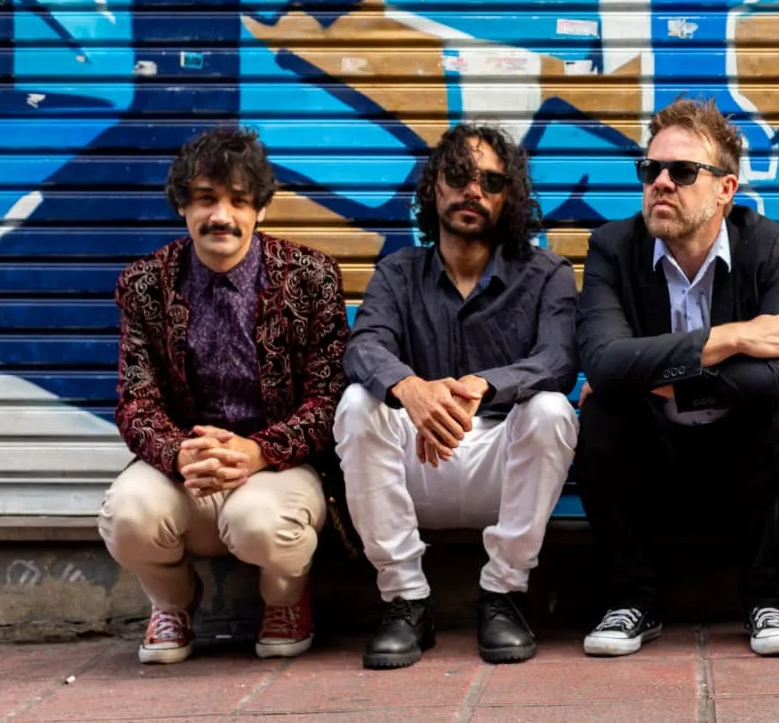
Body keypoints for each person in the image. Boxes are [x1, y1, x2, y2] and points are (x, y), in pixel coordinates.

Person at [98, 125, 349, 664]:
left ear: (260, 208)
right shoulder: (145, 283)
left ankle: (286, 600)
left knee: (262, 524)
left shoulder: (311, 277)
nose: (221, 216)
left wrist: (258, 451)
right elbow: (136, 400)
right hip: (186, 466)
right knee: (127, 515)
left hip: (280, 467)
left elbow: (329, 400)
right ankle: (172, 603)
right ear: (182, 206)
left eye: (239, 200)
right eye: (205, 199)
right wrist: (180, 453)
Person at [574, 97, 779, 658]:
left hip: (742, 456)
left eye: (682, 171)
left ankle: (767, 597)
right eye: (651, 169)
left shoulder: (771, 246)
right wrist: (731, 338)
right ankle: (630, 599)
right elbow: (603, 364)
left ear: (726, 189)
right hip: (652, 455)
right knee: (602, 410)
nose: (661, 183)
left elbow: (774, 379)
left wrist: (654, 378)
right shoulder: (612, 247)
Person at [334, 124, 578, 669]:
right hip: (416, 466)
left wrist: (483, 385)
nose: (474, 191)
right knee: (357, 404)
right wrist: (411, 389)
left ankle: (504, 594)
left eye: (491, 181)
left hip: (503, 470)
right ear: (433, 187)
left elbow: (559, 360)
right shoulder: (398, 272)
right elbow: (364, 346)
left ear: (509, 197)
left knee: (551, 409)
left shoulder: (547, 275)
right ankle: (405, 601)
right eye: (460, 176)